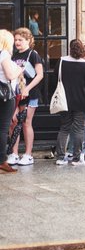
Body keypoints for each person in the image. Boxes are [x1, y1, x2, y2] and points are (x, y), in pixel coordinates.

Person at [8, 28, 44, 166]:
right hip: (16, 93)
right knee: (13, 121)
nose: (17, 42)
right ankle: (14, 153)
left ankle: (28, 154)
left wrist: (28, 88)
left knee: (26, 122)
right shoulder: (14, 56)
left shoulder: (33, 54)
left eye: (20, 40)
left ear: (28, 40)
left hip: (30, 94)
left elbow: (39, 74)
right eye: (16, 40)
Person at [55, 39, 85, 166]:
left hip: (64, 100)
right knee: (79, 129)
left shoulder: (61, 61)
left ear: (69, 48)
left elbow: (55, 80)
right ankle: (76, 158)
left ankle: (60, 157)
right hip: (81, 100)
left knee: (64, 128)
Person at [0, 30, 21, 173]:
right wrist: (20, 69)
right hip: (5, 96)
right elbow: (10, 74)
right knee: (2, 128)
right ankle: (1, 160)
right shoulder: (4, 54)